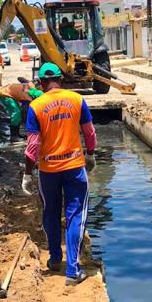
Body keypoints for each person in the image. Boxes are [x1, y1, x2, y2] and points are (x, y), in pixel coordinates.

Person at [22, 62, 96, 287]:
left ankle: (55, 259)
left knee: (51, 213)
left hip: (48, 171)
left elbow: (32, 145)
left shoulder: (36, 106)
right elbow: (89, 132)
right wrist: (90, 154)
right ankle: (73, 270)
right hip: (74, 167)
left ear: (42, 83)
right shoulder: (76, 100)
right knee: (75, 215)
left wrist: (27, 172)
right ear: (60, 80)